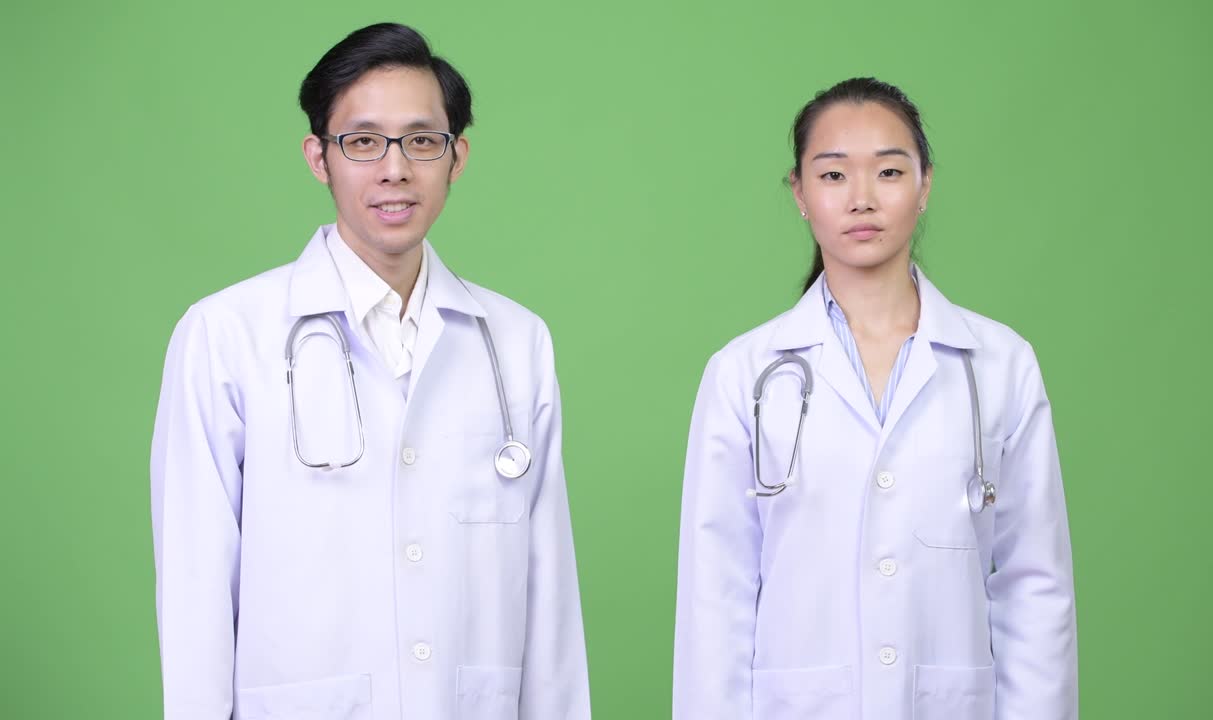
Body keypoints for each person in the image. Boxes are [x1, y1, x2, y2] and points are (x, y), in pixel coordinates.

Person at [150, 23, 590, 720]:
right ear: (319, 158)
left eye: (422, 141)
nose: (395, 170)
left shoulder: (515, 341)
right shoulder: (226, 336)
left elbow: (549, 594)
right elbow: (195, 589)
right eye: (362, 142)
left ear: (456, 156)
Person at [672, 77, 1077, 719]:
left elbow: (1035, 584)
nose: (861, 198)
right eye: (833, 175)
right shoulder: (742, 374)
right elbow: (714, 598)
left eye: (889, 171)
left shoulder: (1000, 365)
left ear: (925, 185)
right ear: (800, 193)